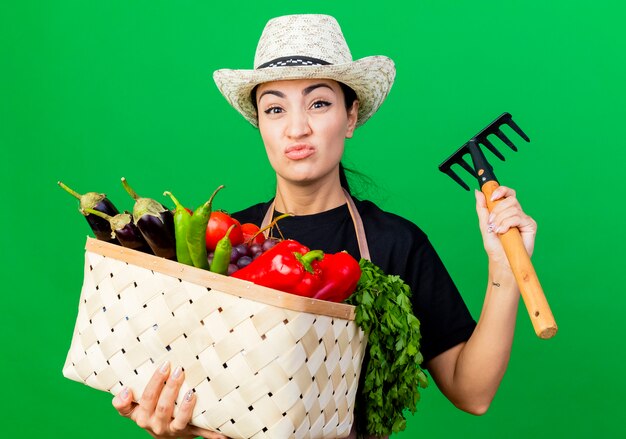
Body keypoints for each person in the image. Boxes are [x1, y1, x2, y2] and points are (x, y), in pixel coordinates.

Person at [112, 14, 537, 439]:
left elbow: (473, 393)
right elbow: (196, 384)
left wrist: (504, 270)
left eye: (318, 103)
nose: (297, 128)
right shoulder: (222, 237)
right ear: (259, 124)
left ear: (351, 117)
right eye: (275, 109)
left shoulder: (395, 243)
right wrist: (177, 425)